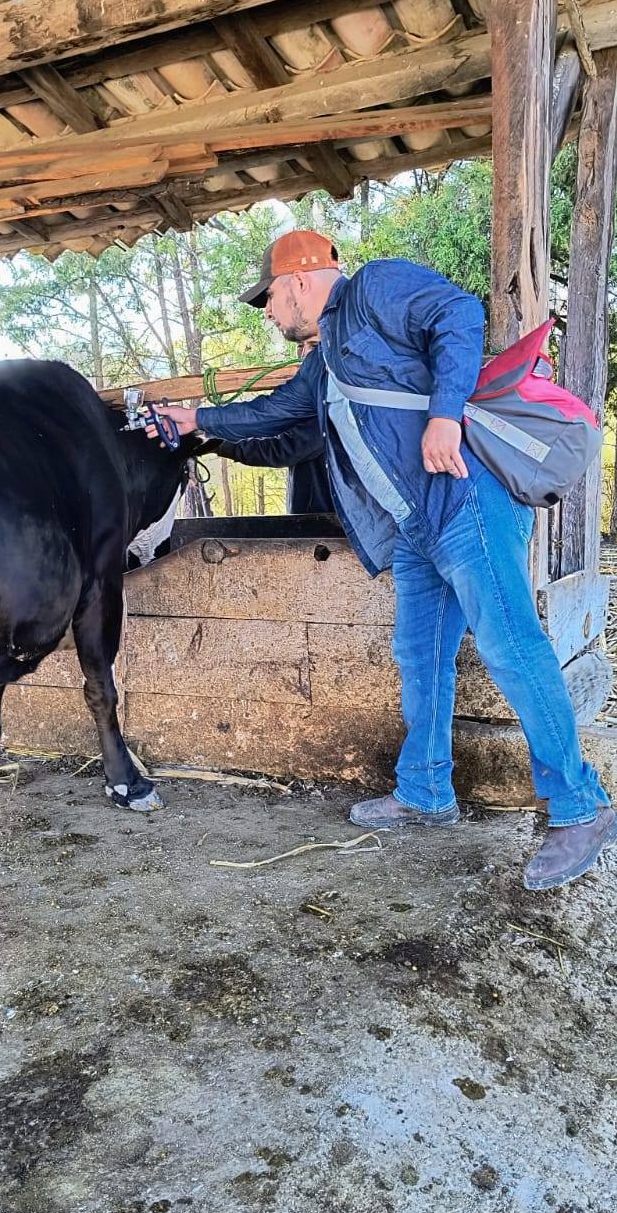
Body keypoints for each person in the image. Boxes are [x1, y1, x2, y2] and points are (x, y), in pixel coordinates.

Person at [151, 229, 615, 891]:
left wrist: (444, 415)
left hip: (465, 500)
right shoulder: (324, 360)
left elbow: (458, 314)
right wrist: (194, 418)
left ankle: (581, 807)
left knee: (510, 643)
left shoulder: (374, 289)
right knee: (417, 654)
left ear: (301, 279)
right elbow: (277, 413)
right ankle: (425, 793)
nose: (270, 313)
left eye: (271, 299)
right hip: (417, 528)